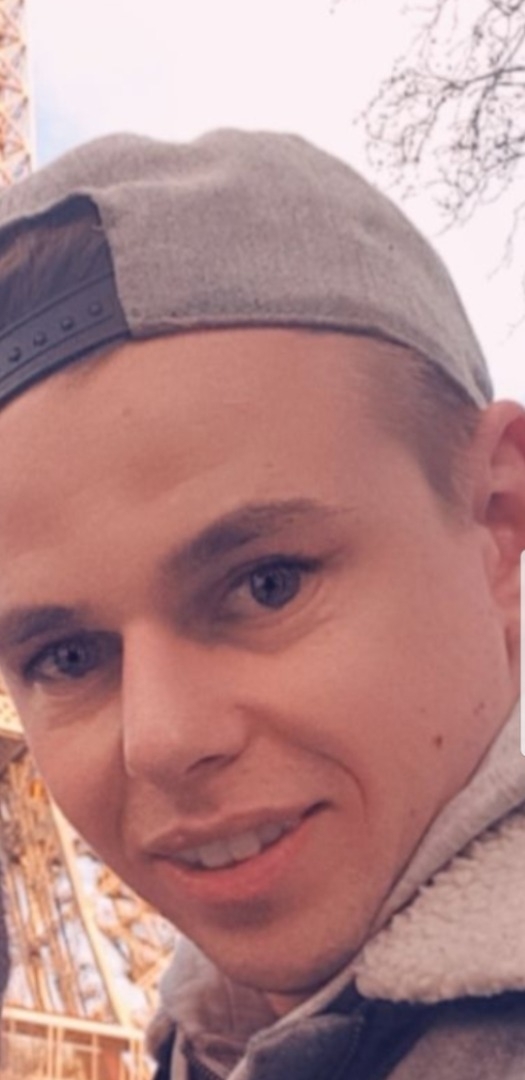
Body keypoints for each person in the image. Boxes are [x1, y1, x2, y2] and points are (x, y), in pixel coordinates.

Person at [0, 130, 522, 1080]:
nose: (163, 740)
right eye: (66, 656)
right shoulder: (214, 1035)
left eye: (265, 584)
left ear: (497, 518)